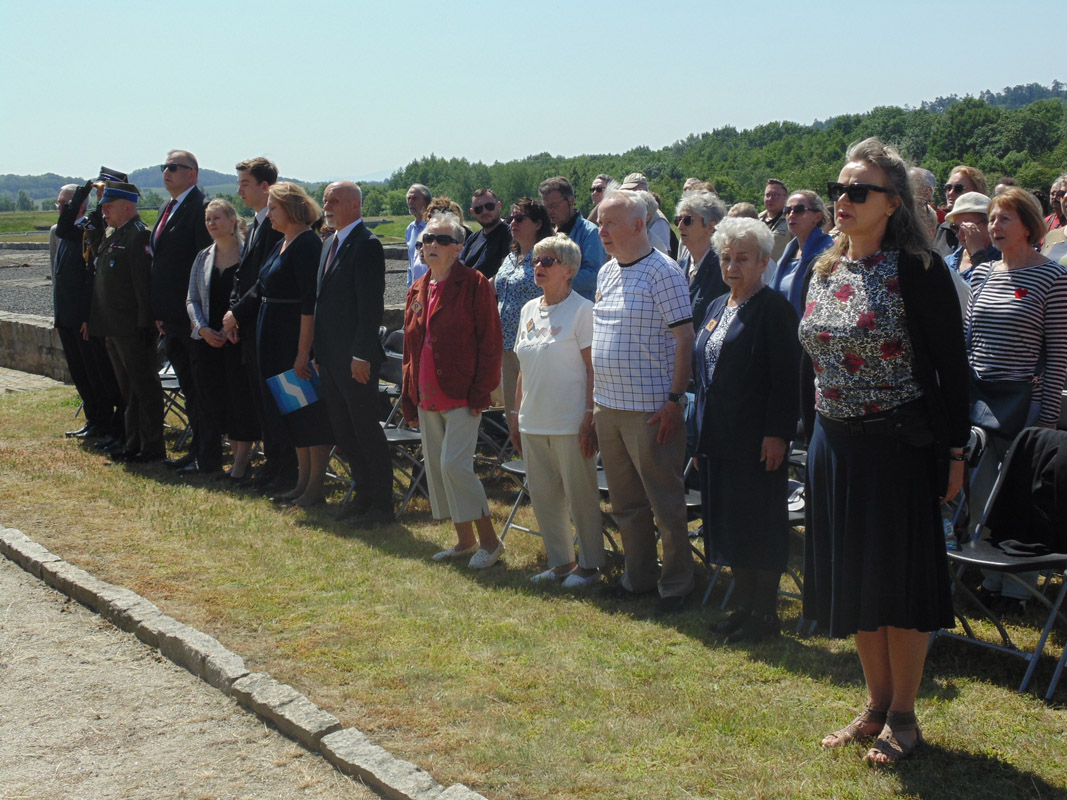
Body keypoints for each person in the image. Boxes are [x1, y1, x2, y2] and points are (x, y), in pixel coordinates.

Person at [799, 138, 969, 764]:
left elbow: (953, 368)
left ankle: (904, 716)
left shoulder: (918, 272)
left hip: (897, 446)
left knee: (897, 586)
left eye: (858, 191)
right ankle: (873, 706)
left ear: (893, 204)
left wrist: (954, 455)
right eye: (838, 189)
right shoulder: (824, 266)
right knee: (857, 582)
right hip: (832, 445)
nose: (842, 200)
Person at [693, 217, 800, 642]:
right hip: (717, 437)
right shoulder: (718, 305)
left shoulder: (774, 309)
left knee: (758, 524)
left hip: (757, 440)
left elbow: (785, 378)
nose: (732, 266)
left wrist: (777, 433)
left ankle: (765, 614)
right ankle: (743, 607)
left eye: (743, 258)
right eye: (726, 257)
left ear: (763, 262)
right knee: (729, 525)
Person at [592, 188, 696, 613]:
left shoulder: (663, 271)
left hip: (651, 410)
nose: (601, 231)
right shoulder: (607, 272)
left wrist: (675, 401)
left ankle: (677, 587)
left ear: (638, 226)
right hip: (609, 406)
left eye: (609, 223)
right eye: (599, 223)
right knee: (625, 503)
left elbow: (684, 340)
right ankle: (638, 578)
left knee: (664, 502)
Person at [401, 212, 504, 569]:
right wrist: (408, 394)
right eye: (427, 239)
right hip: (427, 393)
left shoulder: (474, 283)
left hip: (463, 393)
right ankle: (464, 541)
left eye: (442, 240)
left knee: (455, 466)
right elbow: (410, 349)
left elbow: (491, 343)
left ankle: (490, 543)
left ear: (459, 248)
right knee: (438, 469)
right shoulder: (418, 287)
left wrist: (481, 392)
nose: (431, 245)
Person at [511, 234, 603, 587]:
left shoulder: (583, 310)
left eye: (547, 261)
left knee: (580, 496)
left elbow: (592, 367)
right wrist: (517, 417)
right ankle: (561, 561)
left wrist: (589, 414)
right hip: (534, 420)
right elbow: (522, 367)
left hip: (570, 421)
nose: (538, 267)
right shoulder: (528, 310)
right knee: (545, 495)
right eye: (535, 260)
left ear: (569, 270)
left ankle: (591, 564)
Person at [314, 181, 394, 525]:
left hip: (355, 359)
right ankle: (362, 496)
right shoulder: (328, 243)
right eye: (326, 200)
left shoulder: (366, 245)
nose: (328, 206)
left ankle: (381, 505)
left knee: (365, 430)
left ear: (356, 206)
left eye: (335, 200)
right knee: (344, 432)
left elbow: (370, 306)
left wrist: (361, 353)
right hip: (330, 358)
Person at [256, 182, 333, 508]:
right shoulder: (281, 242)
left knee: (309, 417)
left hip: (293, 340)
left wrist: (303, 352)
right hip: (274, 338)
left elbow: (308, 303)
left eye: (273, 208)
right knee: (292, 414)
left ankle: (315, 487)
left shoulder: (307, 244)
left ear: (291, 208)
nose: (268, 213)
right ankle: (301, 482)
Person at [223, 157, 292, 492]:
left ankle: (284, 470)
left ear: (266, 187)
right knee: (260, 403)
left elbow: (264, 280)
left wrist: (237, 313)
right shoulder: (255, 224)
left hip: (270, 327)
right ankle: (271, 466)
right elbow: (242, 274)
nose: (239, 191)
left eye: (245, 184)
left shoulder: (279, 229)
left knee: (276, 403)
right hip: (251, 325)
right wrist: (235, 310)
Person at [88, 182, 166, 463]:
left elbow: (142, 285)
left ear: (127, 206)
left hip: (132, 327)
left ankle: (153, 447)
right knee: (128, 390)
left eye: (109, 207)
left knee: (144, 388)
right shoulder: (115, 235)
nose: (104, 211)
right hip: (113, 326)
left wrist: (145, 324)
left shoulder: (138, 236)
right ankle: (133, 443)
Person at [186, 199, 259, 480]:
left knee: (240, 399)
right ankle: (229, 457)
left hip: (238, 338)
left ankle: (241, 463)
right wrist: (202, 328)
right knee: (216, 400)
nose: (212, 223)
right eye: (207, 219)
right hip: (208, 339)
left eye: (217, 218)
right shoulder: (203, 256)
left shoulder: (248, 254)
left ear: (232, 221)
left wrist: (235, 321)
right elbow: (192, 298)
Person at [150, 150, 213, 473]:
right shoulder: (166, 208)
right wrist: (160, 311)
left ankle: (207, 454)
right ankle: (196, 449)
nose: (166, 172)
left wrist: (198, 316)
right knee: (189, 387)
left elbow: (205, 266)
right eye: (164, 167)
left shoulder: (201, 209)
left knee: (202, 389)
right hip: (171, 319)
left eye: (173, 167)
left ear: (193, 174)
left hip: (193, 318)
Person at [51, 180, 123, 442]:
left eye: (63, 203)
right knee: (80, 374)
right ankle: (94, 419)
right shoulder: (71, 231)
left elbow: (89, 280)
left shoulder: (92, 228)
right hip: (66, 314)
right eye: (59, 203)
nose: (60, 208)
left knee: (96, 374)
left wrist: (85, 316)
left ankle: (107, 423)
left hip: (83, 316)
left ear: (79, 206)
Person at [496, 199, 554, 431]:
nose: (513, 223)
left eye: (520, 219)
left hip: (535, 344)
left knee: (535, 412)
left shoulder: (546, 259)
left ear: (538, 223)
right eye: (511, 219)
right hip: (507, 345)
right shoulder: (510, 258)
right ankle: (521, 455)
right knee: (513, 412)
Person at [538, 176, 605, 301]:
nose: (550, 211)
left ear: (571, 201)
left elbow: (594, 276)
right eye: (546, 207)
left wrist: (555, 278)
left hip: (579, 310)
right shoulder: (547, 233)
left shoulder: (590, 232)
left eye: (554, 205)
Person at [769, 190, 834, 316]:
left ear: (817, 217)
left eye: (799, 210)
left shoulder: (829, 253)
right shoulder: (788, 252)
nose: (791, 215)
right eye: (787, 211)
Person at [674, 190, 727, 328]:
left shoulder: (724, 268)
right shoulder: (677, 266)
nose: (680, 226)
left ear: (711, 227)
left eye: (687, 220)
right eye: (678, 220)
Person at [943, 191, 998, 283]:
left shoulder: (1004, 260)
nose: (960, 234)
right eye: (956, 227)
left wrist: (978, 254)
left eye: (967, 227)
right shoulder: (948, 262)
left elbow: (994, 290)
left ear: (989, 224)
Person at [933, 165, 987, 256]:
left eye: (958, 188)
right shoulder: (942, 229)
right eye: (948, 188)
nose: (950, 193)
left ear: (977, 192)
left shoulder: (988, 228)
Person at [459, 188, 512, 278]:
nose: (484, 212)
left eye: (489, 206)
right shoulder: (472, 239)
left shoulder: (510, 234)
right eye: (478, 209)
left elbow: (506, 273)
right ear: (473, 212)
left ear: (499, 206)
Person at [758, 179, 790, 262]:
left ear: (786, 198)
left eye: (775, 195)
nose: (770, 199)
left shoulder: (791, 220)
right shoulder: (757, 219)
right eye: (767, 195)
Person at [405, 184, 431, 281]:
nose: (411, 202)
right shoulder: (410, 229)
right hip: (416, 290)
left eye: (415, 198)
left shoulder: (434, 228)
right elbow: (411, 265)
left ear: (426, 201)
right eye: (409, 198)